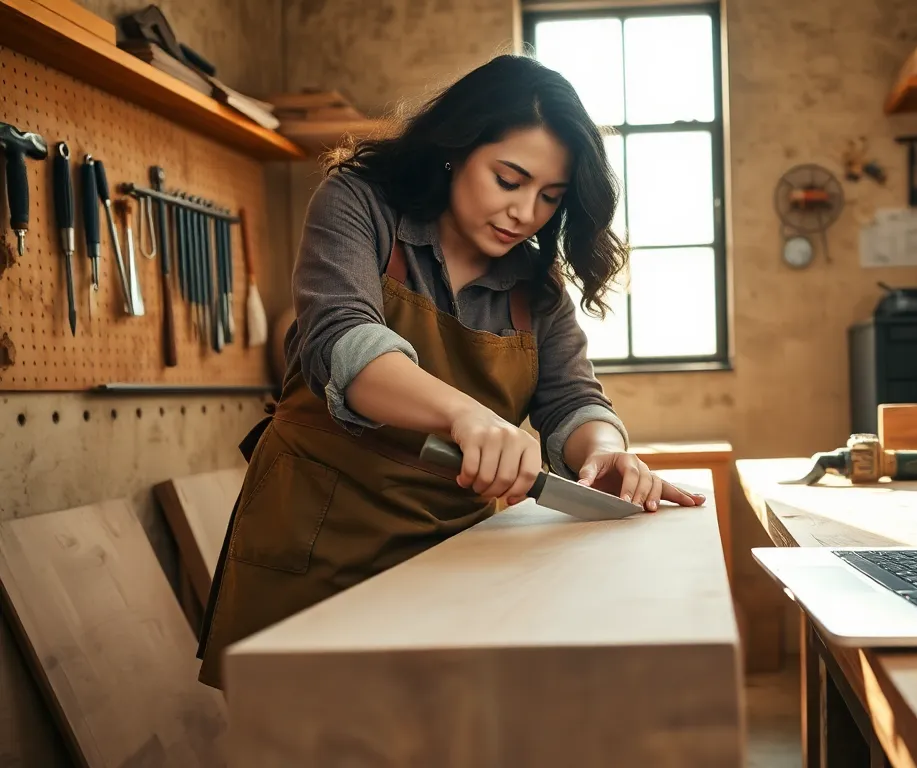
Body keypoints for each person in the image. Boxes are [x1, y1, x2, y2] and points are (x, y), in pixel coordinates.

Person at [195, 54, 705, 690]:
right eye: (509, 179)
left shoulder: (536, 286)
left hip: (456, 546)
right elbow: (344, 340)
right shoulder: (359, 202)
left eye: (550, 197)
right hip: (316, 535)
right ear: (455, 149)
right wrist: (467, 415)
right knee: (305, 725)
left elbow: (573, 399)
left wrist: (605, 451)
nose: (526, 213)